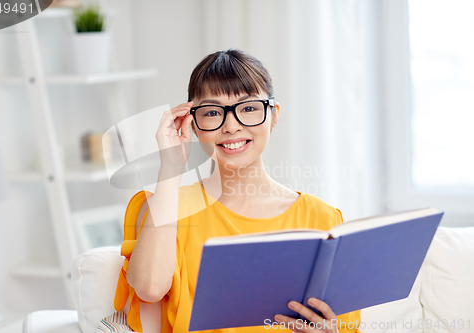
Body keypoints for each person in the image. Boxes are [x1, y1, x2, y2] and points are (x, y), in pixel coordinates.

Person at [114, 49, 361, 333]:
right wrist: (170, 168)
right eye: (212, 112)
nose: (231, 126)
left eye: (248, 108)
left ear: (273, 115)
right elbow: (149, 288)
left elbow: (344, 324)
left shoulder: (322, 218)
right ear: (193, 124)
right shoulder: (168, 207)